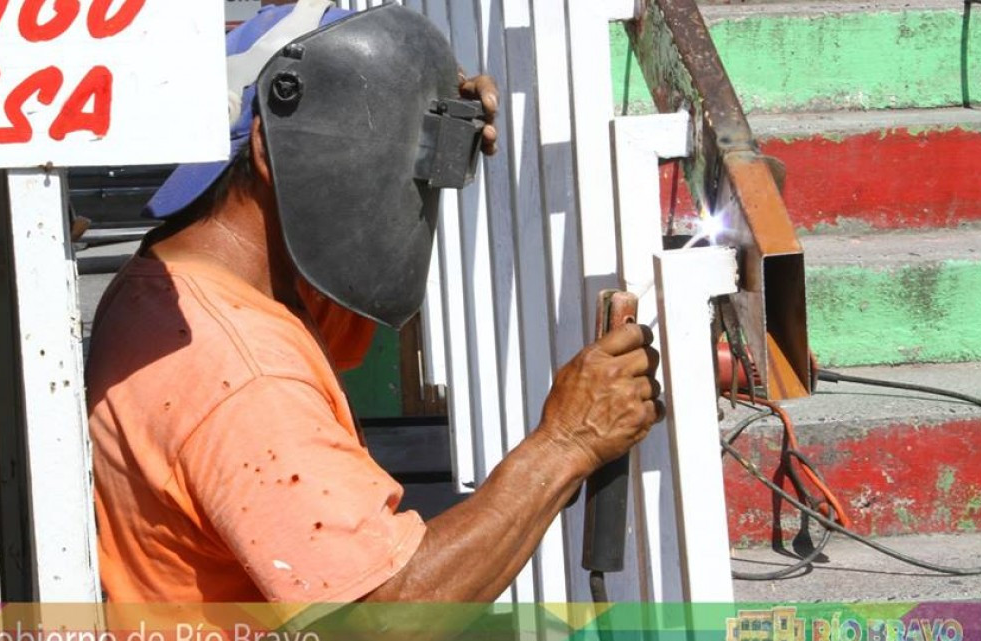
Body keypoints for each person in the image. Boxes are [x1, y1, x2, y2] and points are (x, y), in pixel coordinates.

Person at [86, 0, 662, 604]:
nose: (392, 171)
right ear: (267, 148)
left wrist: (421, 114)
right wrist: (567, 442)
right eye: (375, 146)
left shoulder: (181, 284)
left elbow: (346, 307)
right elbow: (388, 613)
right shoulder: (243, 376)